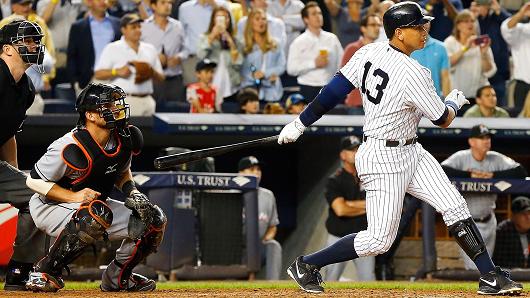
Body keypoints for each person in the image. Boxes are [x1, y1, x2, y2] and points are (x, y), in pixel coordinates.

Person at [277, 2, 523, 295]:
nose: (424, 31)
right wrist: (455, 101)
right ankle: (307, 264)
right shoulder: (413, 72)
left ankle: (490, 276)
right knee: (379, 240)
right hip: (383, 157)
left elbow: (332, 92)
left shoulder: (368, 51)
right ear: (398, 32)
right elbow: (443, 119)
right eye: (417, 27)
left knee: (454, 204)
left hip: (411, 150)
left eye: (424, 25)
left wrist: (299, 123)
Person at [25, 83, 167, 292]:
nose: (116, 109)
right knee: (94, 215)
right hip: (50, 205)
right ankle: (45, 272)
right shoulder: (68, 145)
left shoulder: (124, 138)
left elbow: (122, 172)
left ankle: (118, 277)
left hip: (95, 207)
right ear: (90, 115)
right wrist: (74, 197)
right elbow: (33, 181)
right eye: (108, 105)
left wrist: (132, 192)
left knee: (152, 219)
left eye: (116, 104)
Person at [0, 19, 47, 291]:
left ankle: (20, 272)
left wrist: (15, 175)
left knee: (37, 195)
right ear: (7, 49)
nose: (34, 46)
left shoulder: (26, 87)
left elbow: (7, 134)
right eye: (27, 41)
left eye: (36, 41)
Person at [441, 124, 527, 270]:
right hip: (466, 222)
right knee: (473, 268)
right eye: (481, 138)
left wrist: (493, 176)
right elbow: (441, 170)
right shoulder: (461, 157)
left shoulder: (495, 158)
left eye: (487, 137)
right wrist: (469, 175)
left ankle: (486, 288)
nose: (486, 141)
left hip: (489, 220)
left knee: (485, 267)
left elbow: (520, 172)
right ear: (472, 141)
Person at [323, 136, 374, 281]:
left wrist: (350, 204)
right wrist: (367, 207)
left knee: (369, 282)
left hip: (363, 238)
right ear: (343, 155)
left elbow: (377, 202)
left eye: (358, 149)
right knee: (330, 282)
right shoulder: (335, 180)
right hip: (338, 237)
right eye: (352, 150)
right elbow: (341, 210)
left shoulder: (368, 176)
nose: (356, 152)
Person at [94, 13, 165, 116]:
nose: (138, 30)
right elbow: (98, 74)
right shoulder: (113, 48)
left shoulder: (150, 49)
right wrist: (117, 71)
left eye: (139, 27)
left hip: (147, 100)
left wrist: (151, 72)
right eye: (133, 27)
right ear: (123, 29)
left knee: (147, 132)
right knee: (123, 132)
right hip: (124, 101)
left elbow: (161, 78)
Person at [287, 1, 343, 102]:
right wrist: (314, 64)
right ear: (306, 19)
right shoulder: (298, 42)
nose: (318, 16)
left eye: (320, 13)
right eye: (314, 14)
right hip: (308, 88)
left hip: (330, 87)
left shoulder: (332, 38)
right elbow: (291, 69)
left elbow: (341, 62)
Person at [238, 156, 282, 280]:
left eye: (258, 169)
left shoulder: (268, 196)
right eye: (252, 169)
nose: (256, 172)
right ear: (240, 173)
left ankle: (273, 288)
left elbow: (272, 226)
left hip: (257, 248)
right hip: (235, 250)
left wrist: (265, 239)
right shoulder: (231, 194)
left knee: (273, 245)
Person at [67, 0, 121, 90]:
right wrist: (75, 82)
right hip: (87, 81)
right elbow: (72, 56)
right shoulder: (78, 26)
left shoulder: (117, 24)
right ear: (89, 2)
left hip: (114, 79)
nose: (103, 2)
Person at [141, 0, 188, 104]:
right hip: (152, 79)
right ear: (153, 6)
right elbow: (138, 52)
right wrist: (154, 58)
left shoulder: (178, 26)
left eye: (169, 3)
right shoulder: (144, 27)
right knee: (151, 115)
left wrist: (179, 57)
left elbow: (186, 49)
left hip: (174, 79)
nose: (168, 6)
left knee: (176, 114)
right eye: (163, 2)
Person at [444, 10, 497, 100]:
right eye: (466, 21)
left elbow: (489, 71)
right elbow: (447, 64)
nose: (470, 24)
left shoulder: (481, 43)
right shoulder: (450, 42)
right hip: (457, 96)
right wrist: (465, 48)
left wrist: (484, 54)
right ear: (458, 25)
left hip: (479, 96)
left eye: (472, 21)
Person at [198, 6, 243, 109]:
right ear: (213, 20)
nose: (222, 20)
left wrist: (231, 43)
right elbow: (201, 56)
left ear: (229, 20)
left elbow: (238, 64)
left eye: (225, 17)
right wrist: (211, 37)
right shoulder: (204, 38)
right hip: (211, 84)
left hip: (231, 85)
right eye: (218, 17)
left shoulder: (236, 41)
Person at [241, 8, 285, 102]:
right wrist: (253, 75)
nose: (262, 22)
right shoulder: (245, 46)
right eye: (257, 19)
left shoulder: (275, 44)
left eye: (264, 19)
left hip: (272, 90)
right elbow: (242, 70)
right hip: (250, 91)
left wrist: (265, 73)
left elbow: (282, 65)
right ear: (251, 23)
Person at [341, 13, 382, 107]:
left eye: (378, 25)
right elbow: (344, 78)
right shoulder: (352, 49)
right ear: (363, 28)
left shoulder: (382, 50)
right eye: (373, 25)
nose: (377, 28)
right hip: (357, 104)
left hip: (376, 106)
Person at [410, 12, 451, 98]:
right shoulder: (407, 47)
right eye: (421, 21)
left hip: (436, 101)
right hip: (411, 102)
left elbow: (445, 78)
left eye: (427, 21)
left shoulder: (441, 47)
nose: (424, 24)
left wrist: (447, 105)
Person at [501, 2, 530, 115]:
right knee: (521, 121)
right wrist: (522, 13)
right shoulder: (522, 30)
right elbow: (506, 28)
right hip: (524, 84)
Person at [493, 196, 530, 269]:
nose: (528, 217)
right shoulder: (503, 230)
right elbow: (499, 261)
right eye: (523, 214)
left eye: (529, 213)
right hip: (510, 275)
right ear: (513, 216)